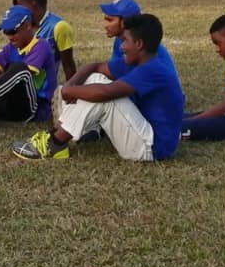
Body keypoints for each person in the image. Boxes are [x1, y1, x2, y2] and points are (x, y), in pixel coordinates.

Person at [12, 14, 184, 162]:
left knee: (103, 94)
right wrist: (71, 84)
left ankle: (55, 143)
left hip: (152, 148)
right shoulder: (138, 61)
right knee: (96, 79)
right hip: (144, 133)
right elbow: (95, 66)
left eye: (125, 41)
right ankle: (82, 130)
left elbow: (105, 93)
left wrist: (67, 91)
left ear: (139, 44)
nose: (122, 46)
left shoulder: (155, 69)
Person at [12, 0, 76, 81]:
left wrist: (71, 92)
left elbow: (69, 66)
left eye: (21, 8)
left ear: (34, 5)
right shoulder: (21, 26)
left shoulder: (59, 27)